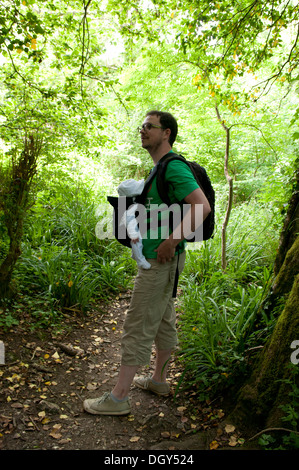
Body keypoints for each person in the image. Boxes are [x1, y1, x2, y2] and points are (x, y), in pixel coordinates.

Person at [83, 110, 211, 415]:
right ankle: (158, 380)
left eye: (149, 127)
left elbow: (201, 206)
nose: (143, 130)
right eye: (142, 126)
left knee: (138, 323)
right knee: (163, 319)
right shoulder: (159, 168)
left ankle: (118, 398)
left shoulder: (172, 167)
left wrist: (171, 241)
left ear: (166, 133)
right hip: (164, 259)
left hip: (159, 260)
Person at [117, 178, 151, 270]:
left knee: (138, 243)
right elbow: (129, 223)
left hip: (137, 225)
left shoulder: (131, 204)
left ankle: (135, 254)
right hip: (133, 231)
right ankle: (140, 259)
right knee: (137, 242)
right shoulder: (128, 208)